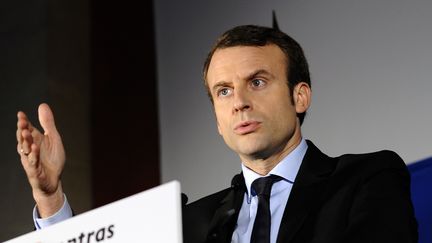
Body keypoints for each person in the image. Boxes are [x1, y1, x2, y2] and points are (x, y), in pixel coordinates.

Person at [17, 25, 418, 243]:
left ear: (300, 96)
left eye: (257, 82)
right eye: (223, 91)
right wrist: (50, 200)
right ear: (216, 117)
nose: (238, 102)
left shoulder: (366, 179)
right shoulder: (189, 221)